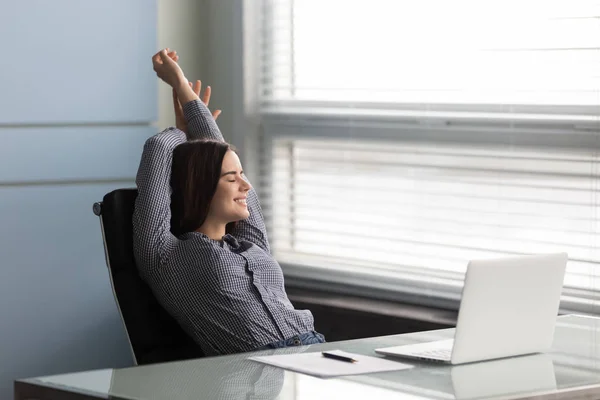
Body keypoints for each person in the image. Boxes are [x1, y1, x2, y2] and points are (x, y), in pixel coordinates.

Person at [132, 48, 325, 356]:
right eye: (232, 179)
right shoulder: (165, 255)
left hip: (316, 351)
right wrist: (180, 127)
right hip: (257, 370)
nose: (246, 186)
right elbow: (157, 149)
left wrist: (186, 97)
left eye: (242, 174)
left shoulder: (250, 242)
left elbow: (217, 150)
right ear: (202, 187)